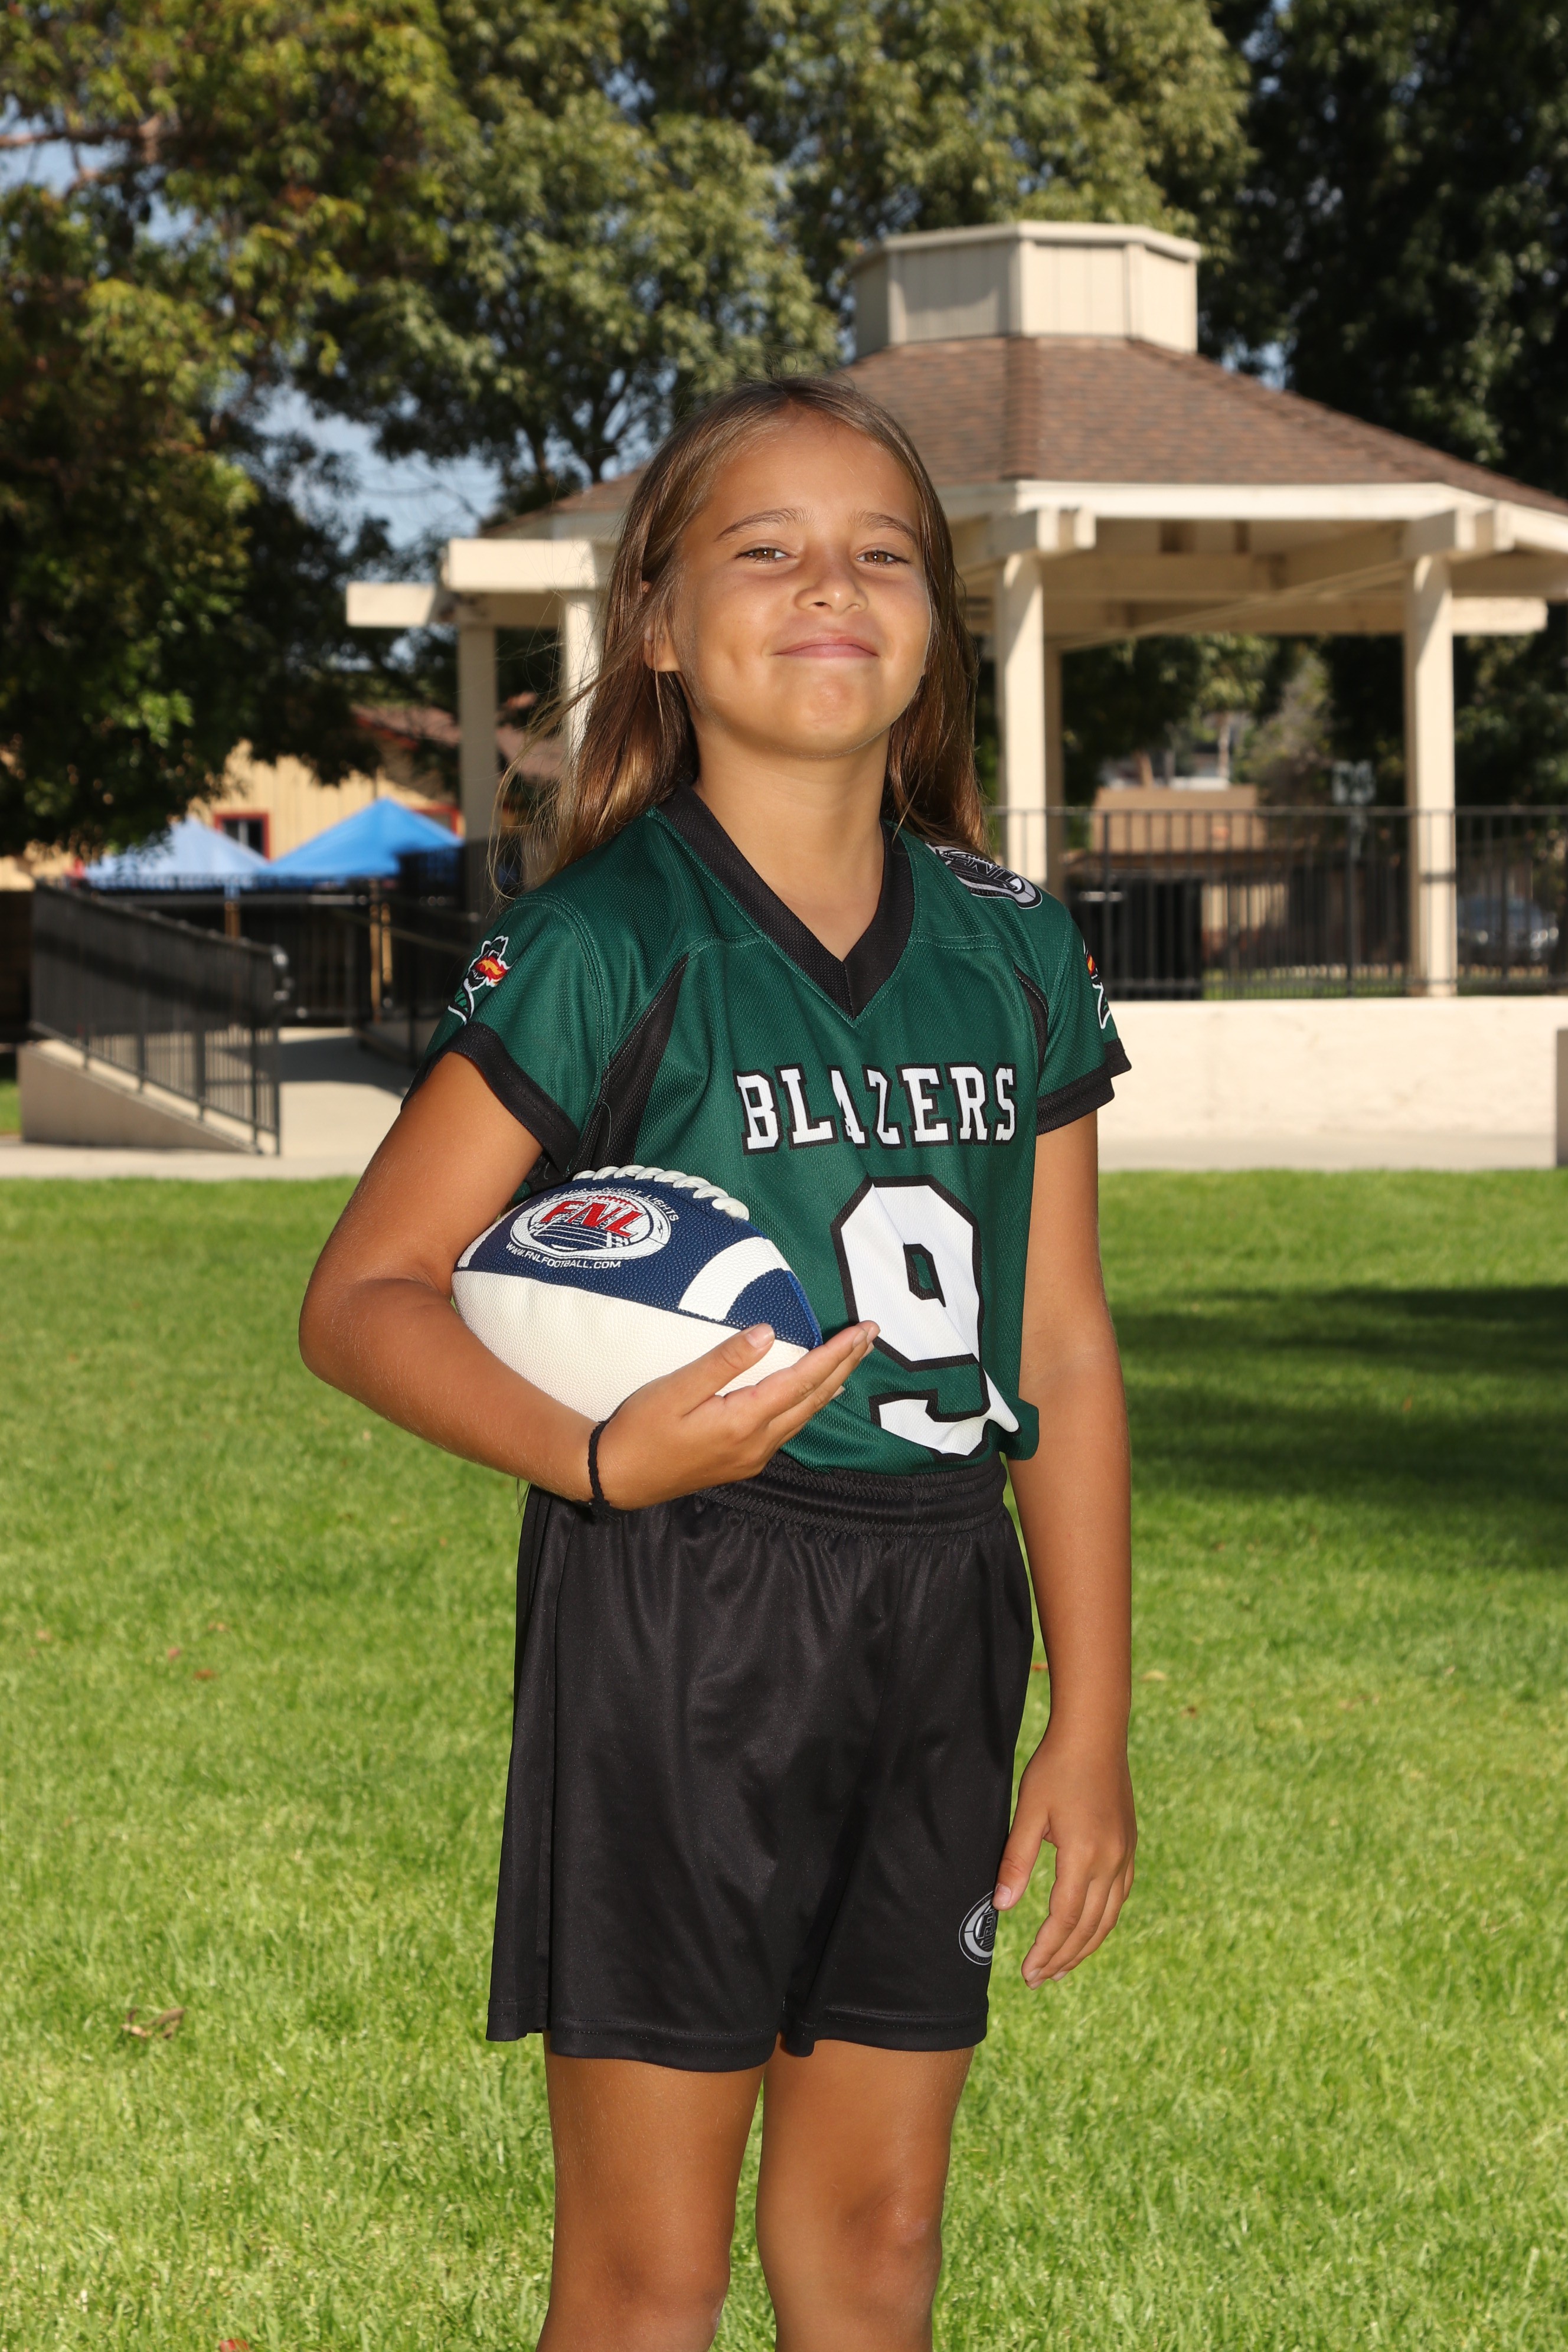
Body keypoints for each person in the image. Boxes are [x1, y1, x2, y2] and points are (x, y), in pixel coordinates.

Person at [300, 375, 1135, 2352]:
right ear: (660, 624)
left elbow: (1062, 1343)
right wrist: (598, 1460)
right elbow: (365, 1295)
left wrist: (1091, 1716)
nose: (830, 587)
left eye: (881, 555)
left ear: (936, 625)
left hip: (944, 1602)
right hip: (684, 1607)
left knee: (879, 2245)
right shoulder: (607, 936)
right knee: (647, 2274)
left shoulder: (1017, 946)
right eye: (766, 549)